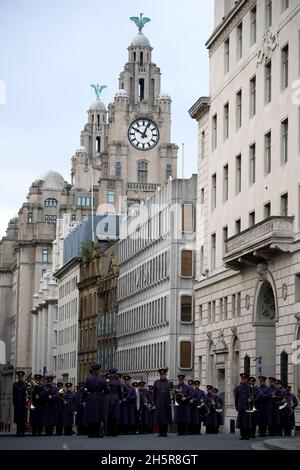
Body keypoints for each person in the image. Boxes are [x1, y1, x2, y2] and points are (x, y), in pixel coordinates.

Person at [85, 363, 105, 438]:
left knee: (91, 414)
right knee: (98, 414)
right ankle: (97, 432)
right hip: (99, 397)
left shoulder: (88, 379)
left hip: (90, 397)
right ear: (97, 370)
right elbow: (105, 389)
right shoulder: (101, 379)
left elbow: (85, 389)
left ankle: (90, 433)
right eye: (99, 370)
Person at [153, 367, 172, 437]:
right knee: (160, 418)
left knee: (165, 417)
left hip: (166, 403)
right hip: (159, 403)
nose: (162, 376)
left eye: (163, 374)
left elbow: (172, 393)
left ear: (165, 375)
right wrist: (154, 402)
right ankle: (160, 432)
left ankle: (165, 432)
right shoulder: (156, 382)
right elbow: (154, 393)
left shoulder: (169, 382)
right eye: (161, 375)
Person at [235, 373, 252, 440]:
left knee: (247, 421)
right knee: (241, 421)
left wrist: (250, 402)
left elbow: (252, 396)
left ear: (247, 379)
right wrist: (237, 406)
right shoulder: (238, 387)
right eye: (242, 378)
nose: (243, 380)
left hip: (248, 406)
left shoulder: (249, 387)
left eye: (244, 378)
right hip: (241, 406)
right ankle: (242, 435)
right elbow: (236, 398)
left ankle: (247, 435)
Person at [13, 370, 27, 436]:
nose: (20, 377)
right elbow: (13, 394)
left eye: (21, 377)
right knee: (18, 418)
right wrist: (14, 403)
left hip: (23, 404)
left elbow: (27, 394)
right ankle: (18, 431)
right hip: (17, 404)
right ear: (18, 377)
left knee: (23, 418)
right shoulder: (15, 384)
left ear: (23, 377)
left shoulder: (25, 384)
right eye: (19, 376)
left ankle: (22, 431)